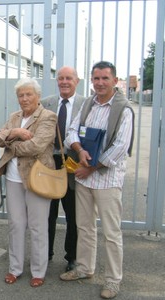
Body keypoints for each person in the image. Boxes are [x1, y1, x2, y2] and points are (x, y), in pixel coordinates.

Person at [60, 61, 134, 299]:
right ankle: (84, 268)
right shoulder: (88, 104)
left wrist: (90, 169)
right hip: (84, 178)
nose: (100, 83)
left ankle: (113, 281)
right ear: (91, 81)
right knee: (85, 227)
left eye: (104, 78)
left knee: (111, 233)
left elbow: (120, 147)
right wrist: (79, 150)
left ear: (114, 80)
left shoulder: (124, 109)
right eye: (96, 79)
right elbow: (71, 131)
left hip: (106, 180)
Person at [0, 77, 57, 288]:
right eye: (21, 95)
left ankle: (38, 271)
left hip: (37, 177)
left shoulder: (48, 117)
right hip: (13, 178)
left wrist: (9, 145)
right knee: (16, 224)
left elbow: (37, 146)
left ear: (38, 97)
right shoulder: (14, 117)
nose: (24, 98)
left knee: (38, 226)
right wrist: (15, 132)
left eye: (29, 94)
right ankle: (15, 268)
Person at [41, 66, 86, 271]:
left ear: (77, 81)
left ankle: (72, 257)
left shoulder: (87, 105)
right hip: (50, 162)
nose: (64, 82)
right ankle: (45, 253)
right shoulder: (46, 103)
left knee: (73, 214)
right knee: (47, 212)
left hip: (74, 163)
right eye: (61, 78)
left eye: (69, 78)